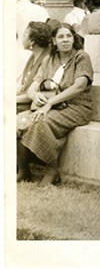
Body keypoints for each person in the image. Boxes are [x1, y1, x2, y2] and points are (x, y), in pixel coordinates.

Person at [16, 23, 94, 185]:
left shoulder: (81, 57)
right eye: (60, 37)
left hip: (76, 107)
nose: (65, 40)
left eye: (68, 36)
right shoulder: (49, 60)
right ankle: (24, 171)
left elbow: (79, 87)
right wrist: (35, 95)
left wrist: (49, 103)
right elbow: (32, 88)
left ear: (74, 39)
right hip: (51, 106)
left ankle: (52, 171)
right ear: (54, 41)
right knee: (18, 122)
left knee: (39, 122)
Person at [17, 22, 52, 113]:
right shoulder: (33, 56)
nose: (22, 38)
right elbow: (22, 86)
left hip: (33, 104)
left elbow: (32, 94)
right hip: (21, 101)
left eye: (24, 35)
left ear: (32, 41)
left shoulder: (46, 59)